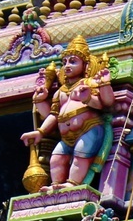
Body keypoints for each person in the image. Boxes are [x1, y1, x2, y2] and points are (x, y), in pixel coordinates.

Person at [21, 36, 114, 189]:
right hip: (66, 136)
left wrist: (89, 97)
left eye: (73, 61)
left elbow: (106, 104)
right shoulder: (60, 92)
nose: (67, 66)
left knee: (80, 155)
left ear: (85, 65)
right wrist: (40, 129)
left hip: (89, 128)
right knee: (56, 158)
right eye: (64, 63)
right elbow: (52, 115)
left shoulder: (88, 83)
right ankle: (56, 184)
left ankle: (72, 183)